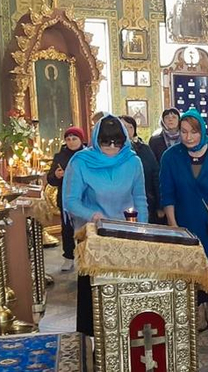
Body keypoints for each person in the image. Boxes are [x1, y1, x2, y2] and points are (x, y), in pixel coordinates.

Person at [64, 115, 148, 336]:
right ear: (95, 140)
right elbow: (71, 201)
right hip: (94, 238)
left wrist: (143, 229)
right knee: (94, 295)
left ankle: (122, 336)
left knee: (124, 292)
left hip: (125, 235)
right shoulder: (81, 162)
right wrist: (93, 215)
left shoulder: (132, 161)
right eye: (106, 143)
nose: (112, 148)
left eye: (117, 143)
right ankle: (92, 339)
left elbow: (139, 198)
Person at [160, 108, 208, 332]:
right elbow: (167, 193)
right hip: (185, 223)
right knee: (189, 269)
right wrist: (173, 226)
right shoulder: (171, 156)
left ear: (202, 130)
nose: (188, 137)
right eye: (183, 132)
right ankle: (195, 311)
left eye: (193, 132)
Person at [46, 126, 85, 271]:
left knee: (84, 227)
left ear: (81, 139)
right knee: (67, 228)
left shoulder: (87, 155)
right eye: (68, 139)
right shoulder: (59, 156)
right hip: (66, 198)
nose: (71, 142)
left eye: (74, 139)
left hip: (84, 197)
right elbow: (50, 179)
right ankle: (68, 257)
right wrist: (56, 175)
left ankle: (84, 255)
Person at [120, 115, 161, 224]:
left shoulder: (144, 149)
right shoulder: (111, 152)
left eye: (130, 127)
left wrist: (160, 204)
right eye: (123, 127)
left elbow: (155, 174)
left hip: (145, 201)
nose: (127, 130)